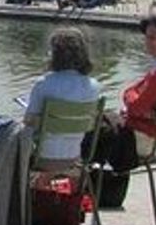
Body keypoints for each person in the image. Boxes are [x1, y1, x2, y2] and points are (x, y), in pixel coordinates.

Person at [83, 10, 156, 181]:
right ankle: (88, 186)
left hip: (143, 137)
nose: (147, 43)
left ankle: (81, 186)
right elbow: (132, 93)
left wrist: (130, 97)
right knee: (97, 122)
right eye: (146, 37)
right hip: (148, 132)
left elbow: (135, 105)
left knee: (90, 129)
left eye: (153, 38)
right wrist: (131, 97)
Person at [21, 27, 102, 172]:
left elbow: (28, 122)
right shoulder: (93, 87)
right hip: (74, 156)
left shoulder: (43, 84)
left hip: (42, 156)